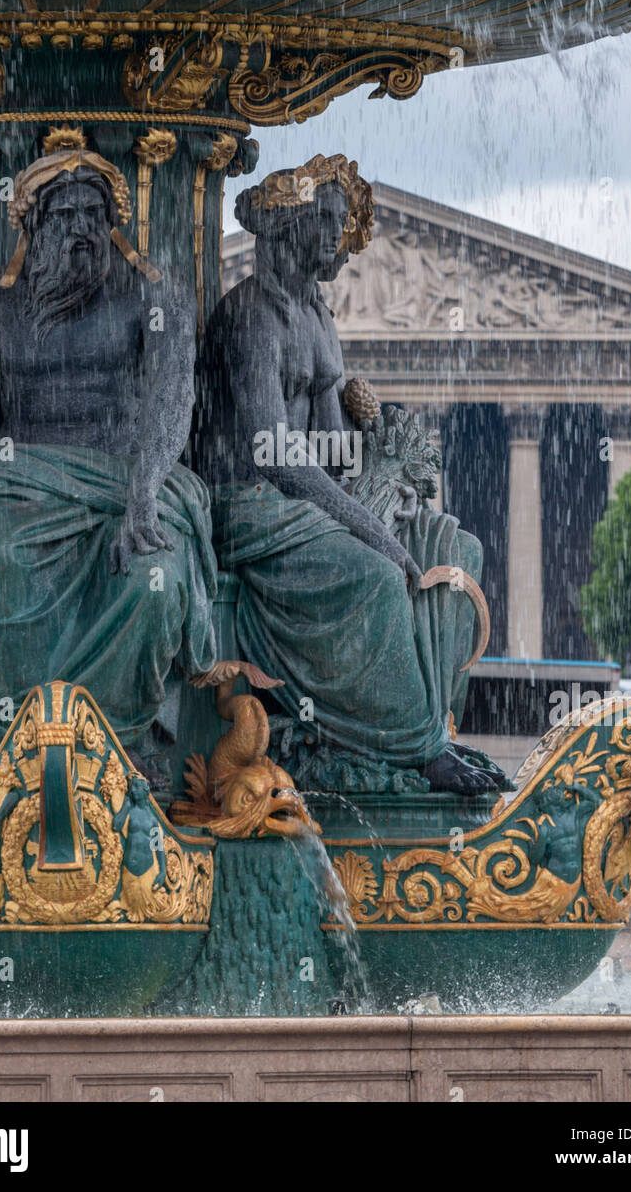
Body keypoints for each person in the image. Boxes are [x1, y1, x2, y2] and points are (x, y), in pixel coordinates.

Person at [0, 150, 217, 786]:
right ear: (32, 227)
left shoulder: (154, 299)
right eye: (65, 216)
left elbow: (172, 399)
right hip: (19, 485)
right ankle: (17, 736)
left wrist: (145, 491)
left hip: (127, 481)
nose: (81, 230)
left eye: (96, 216)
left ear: (114, 227)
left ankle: (122, 741)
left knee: (153, 573)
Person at [194, 153, 503, 794]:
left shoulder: (316, 318)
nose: (340, 234)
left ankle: (434, 726)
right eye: (328, 219)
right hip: (248, 504)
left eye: (344, 221)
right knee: (378, 571)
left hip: (305, 497)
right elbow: (270, 452)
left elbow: (331, 452)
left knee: (456, 551)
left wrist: (381, 452)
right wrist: (370, 526)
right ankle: (409, 749)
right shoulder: (253, 316)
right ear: (288, 224)